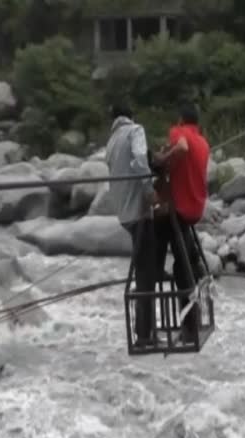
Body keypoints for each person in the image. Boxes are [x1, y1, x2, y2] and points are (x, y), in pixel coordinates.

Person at [152, 100, 211, 334]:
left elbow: (183, 148)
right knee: (187, 257)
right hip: (195, 210)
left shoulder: (179, 133)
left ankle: (154, 271)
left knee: (153, 226)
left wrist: (162, 160)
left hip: (179, 211)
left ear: (180, 120)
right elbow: (185, 157)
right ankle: (192, 314)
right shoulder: (204, 142)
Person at [104, 103, 160, 346]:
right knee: (146, 276)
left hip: (124, 215)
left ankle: (145, 331)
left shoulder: (111, 141)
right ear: (131, 116)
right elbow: (139, 160)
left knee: (143, 268)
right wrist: (149, 190)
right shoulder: (135, 131)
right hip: (138, 211)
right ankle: (145, 335)